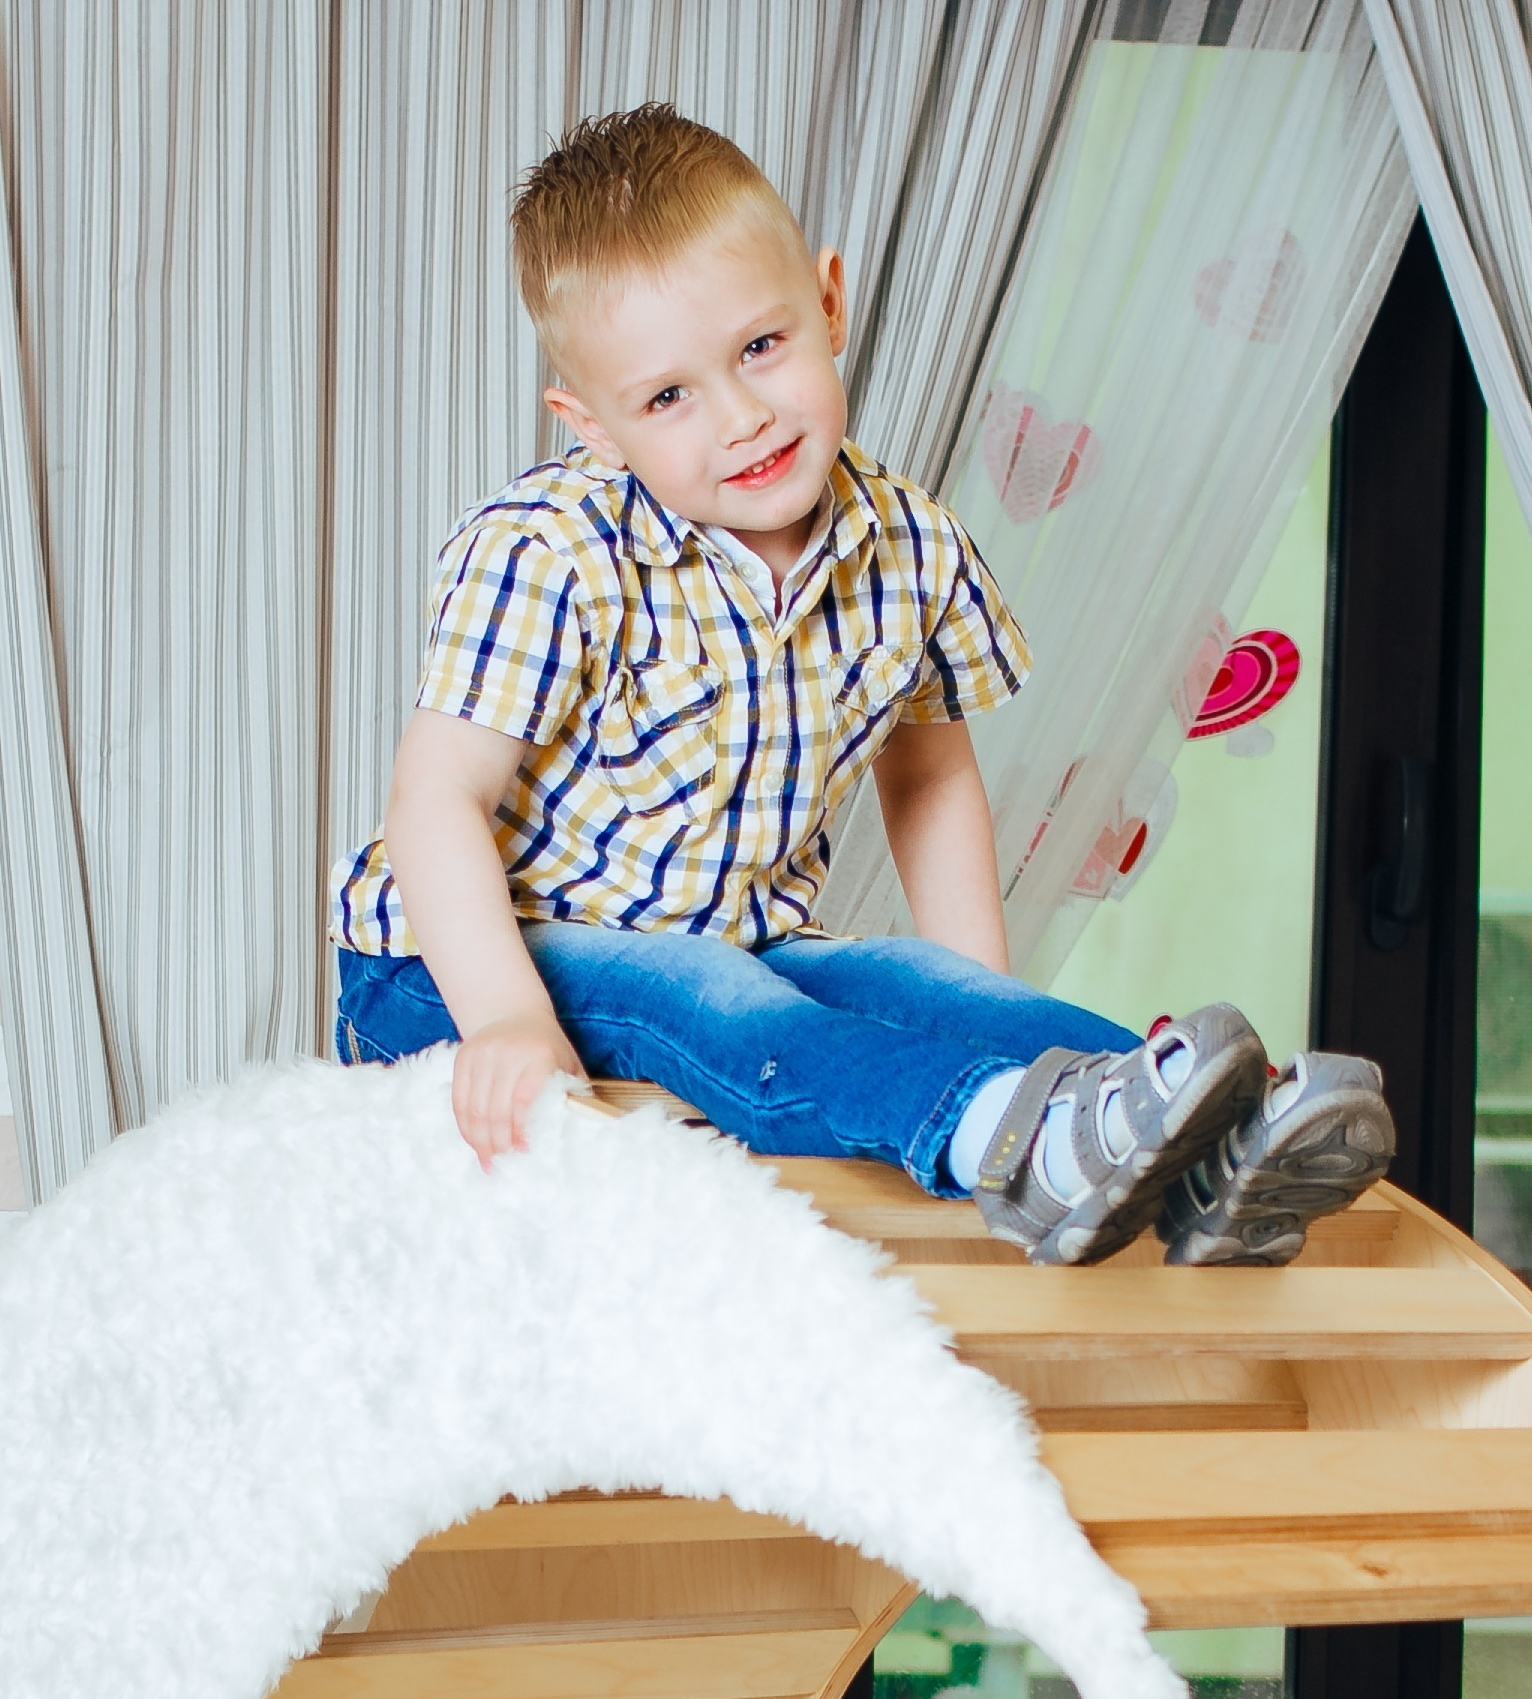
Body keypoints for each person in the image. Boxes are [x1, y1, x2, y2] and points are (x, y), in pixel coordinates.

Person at [330, 104, 1393, 1267]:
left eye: (759, 346)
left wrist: (974, 1006)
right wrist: (505, 1016)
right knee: (715, 998)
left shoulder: (908, 544)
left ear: (827, 302)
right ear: (592, 426)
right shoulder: (547, 549)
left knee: (893, 975)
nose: (741, 416)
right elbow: (436, 799)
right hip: (459, 961)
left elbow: (927, 778)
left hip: (739, 936)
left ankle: (1213, 1141)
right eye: (667, 397)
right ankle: (1008, 1139)